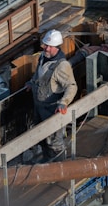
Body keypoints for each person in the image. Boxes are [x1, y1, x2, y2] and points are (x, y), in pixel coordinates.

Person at [26, 29, 77, 162]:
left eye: (49, 46)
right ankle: (46, 161)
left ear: (57, 47)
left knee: (54, 142)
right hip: (38, 107)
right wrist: (31, 83)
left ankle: (59, 167)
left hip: (51, 109)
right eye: (45, 45)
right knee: (41, 137)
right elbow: (38, 74)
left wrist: (63, 102)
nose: (46, 48)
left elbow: (71, 86)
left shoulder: (62, 66)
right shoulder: (43, 57)